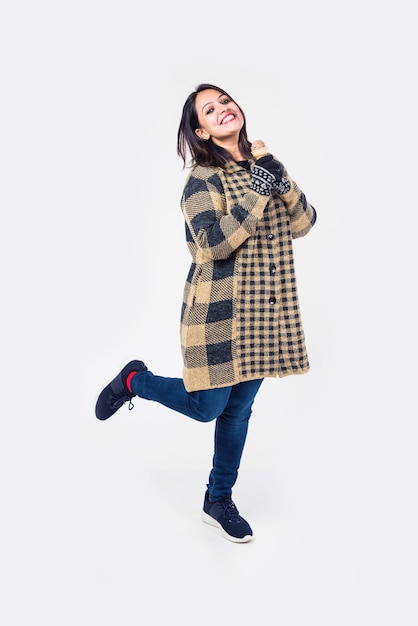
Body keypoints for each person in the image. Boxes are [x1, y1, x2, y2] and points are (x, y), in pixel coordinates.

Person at [95, 83, 317, 543]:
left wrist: (281, 179)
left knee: (238, 413)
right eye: (209, 109)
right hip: (216, 312)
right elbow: (214, 243)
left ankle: (218, 498)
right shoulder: (201, 181)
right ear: (201, 130)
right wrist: (257, 193)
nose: (223, 110)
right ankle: (135, 380)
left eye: (226, 101)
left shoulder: (264, 167)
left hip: (265, 311)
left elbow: (304, 222)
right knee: (206, 407)